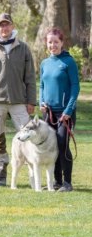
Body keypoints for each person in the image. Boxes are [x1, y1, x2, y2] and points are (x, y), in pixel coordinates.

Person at [0, 13, 36, 186]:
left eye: (7, 25)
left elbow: (30, 78)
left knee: (27, 136)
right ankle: (1, 174)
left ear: (12, 26)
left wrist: (31, 101)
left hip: (19, 101)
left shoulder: (23, 48)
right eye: (1, 25)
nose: (4, 28)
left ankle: (33, 174)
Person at [39, 27, 80, 192]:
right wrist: (41, 101)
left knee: (62, 144)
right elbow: (42, 86)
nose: (53, 45)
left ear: (62, 43)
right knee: (51, 145)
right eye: (50, 42)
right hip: (48, 112)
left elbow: (75, 88)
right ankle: (56, 182)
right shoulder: (44, 63)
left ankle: (67, 183)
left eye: (56, 42)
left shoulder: (68, 62)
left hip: (65, 113)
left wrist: (68, 111)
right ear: (46, 43)